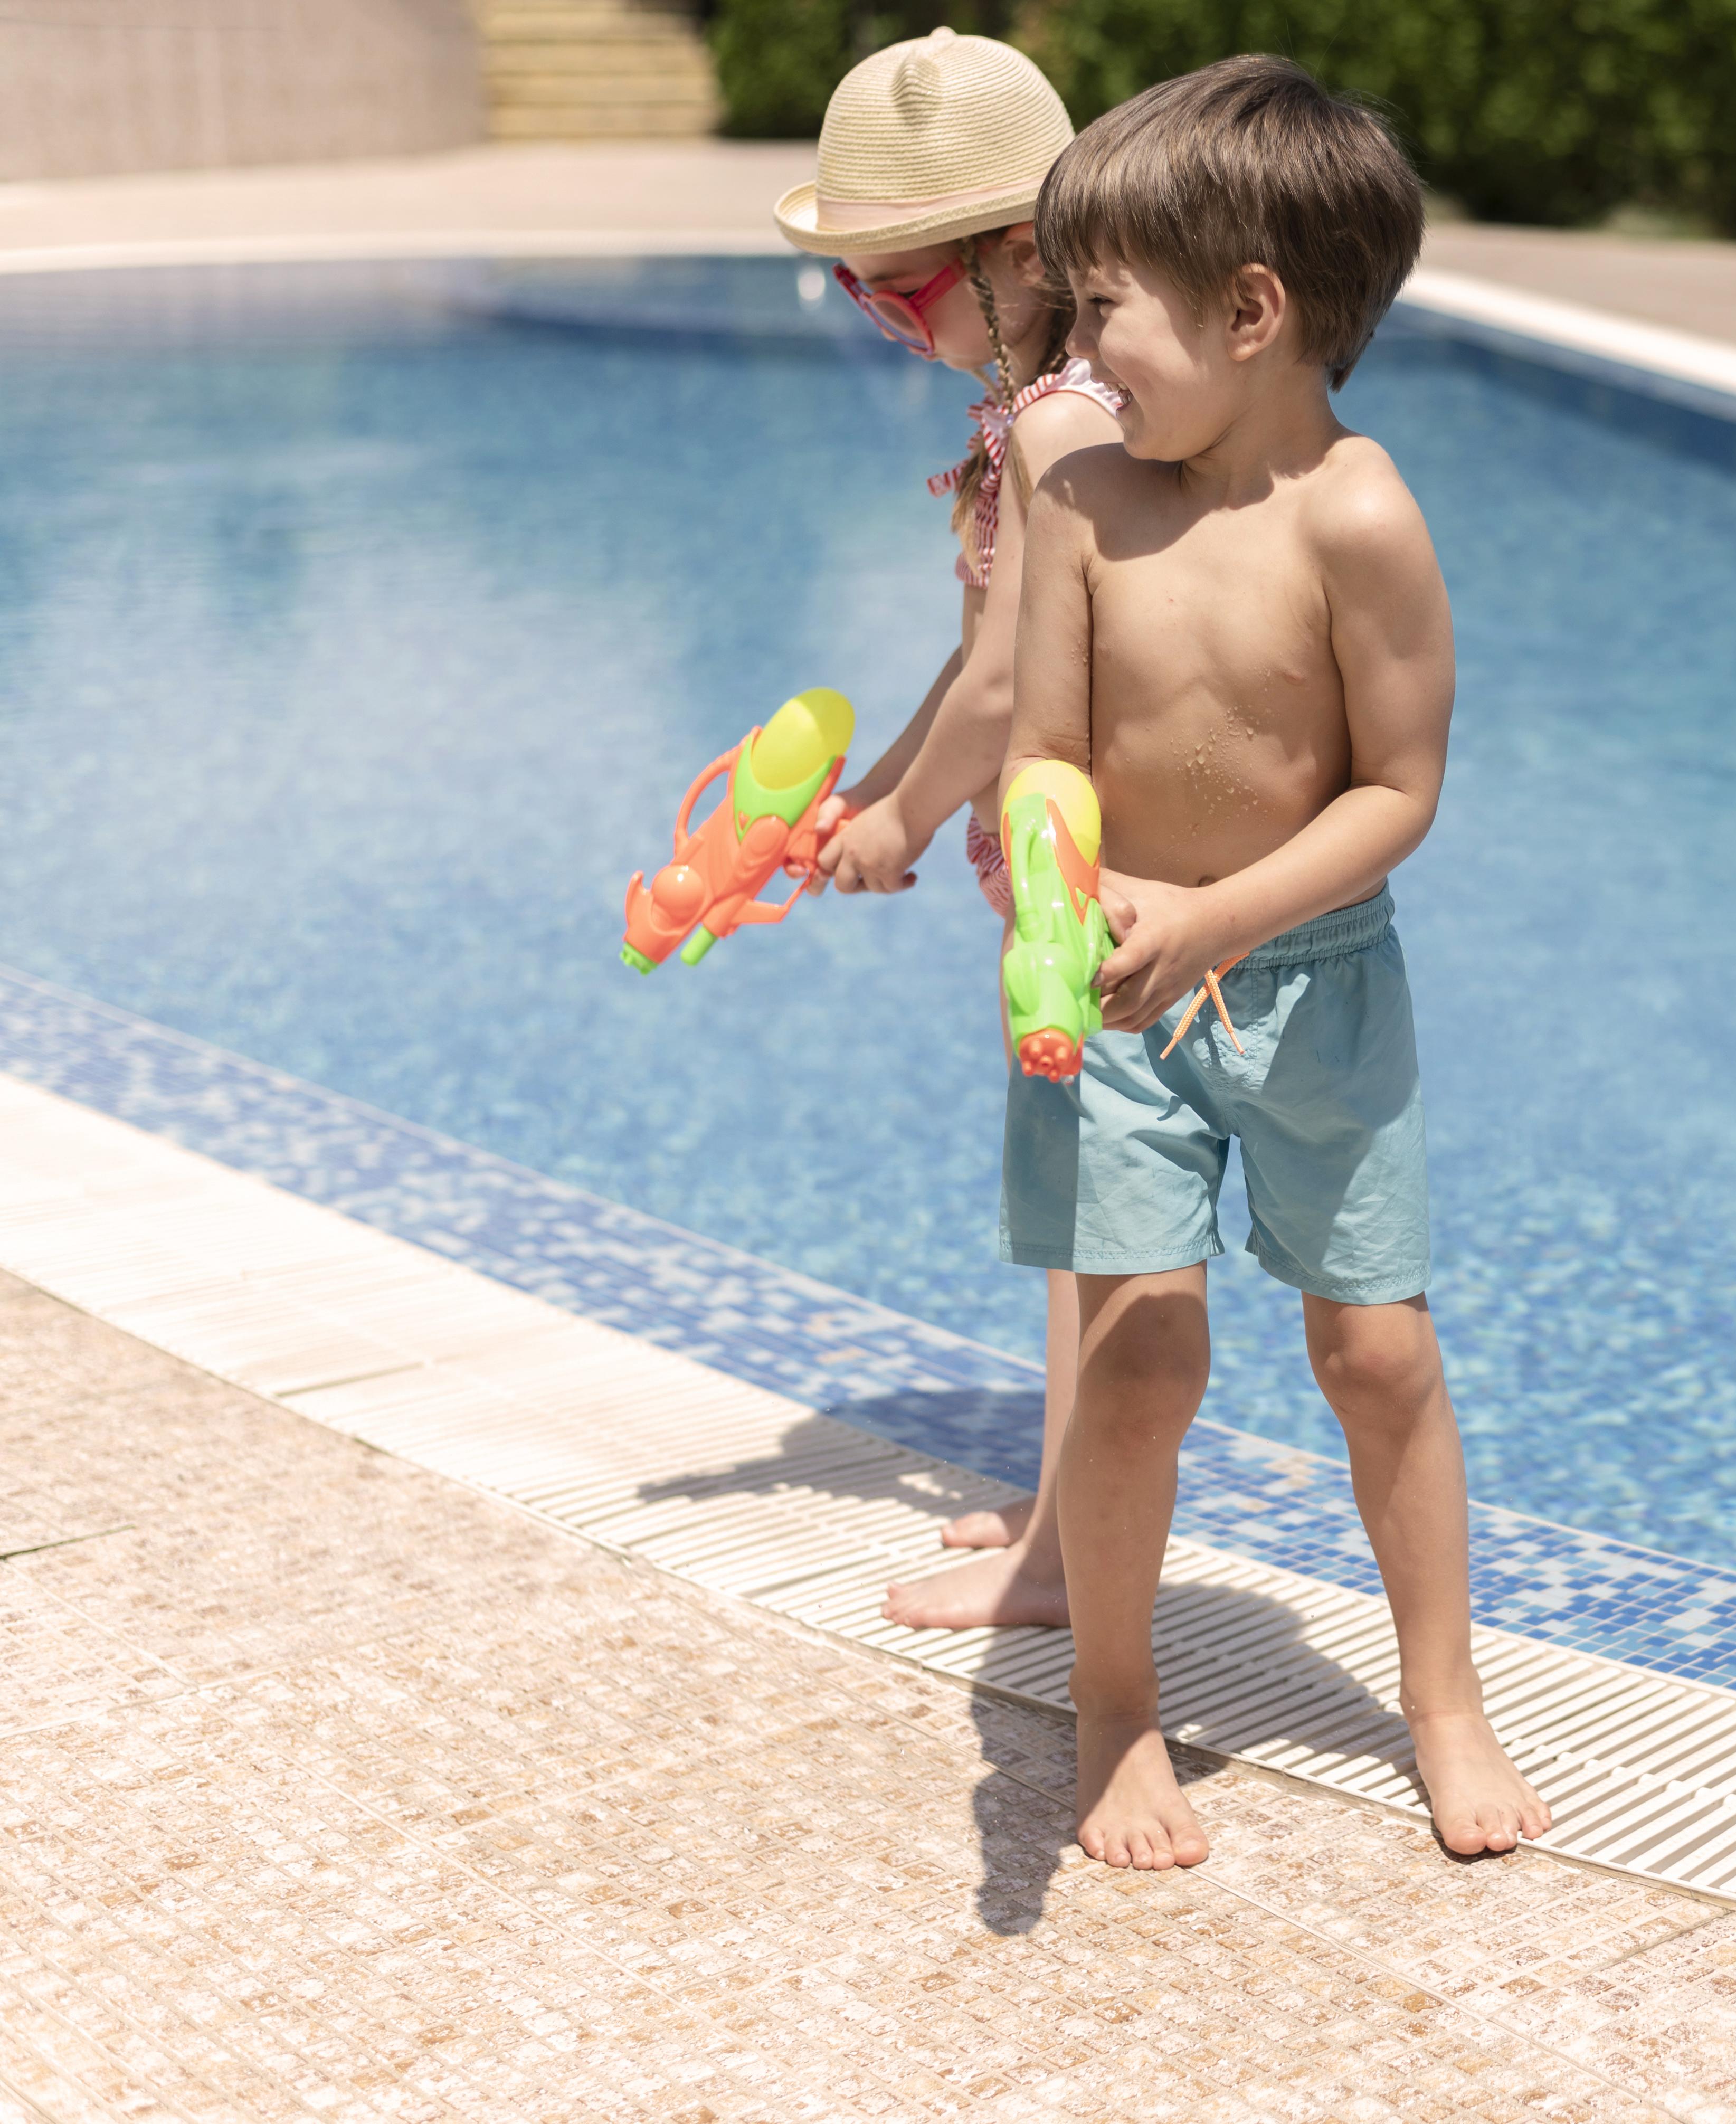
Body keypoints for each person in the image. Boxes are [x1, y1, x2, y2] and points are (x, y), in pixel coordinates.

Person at [903, 53, 1549, 1870]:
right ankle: (1117, 1712)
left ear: (1253, 311)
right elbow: (1044, 730)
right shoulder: (1088, 496)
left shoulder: (1354, 519)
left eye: (1108, 315)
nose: (1084, 359)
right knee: (1138, 1357)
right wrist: (1061, 873)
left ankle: (1443, 1700)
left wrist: (1222, 917)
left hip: (1310, 980)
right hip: (1109, 982)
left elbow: (1399, 792)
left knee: (1378, 1359)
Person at [769, 29, 1128, 1616]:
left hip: (1099, 889)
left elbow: (1008, 688)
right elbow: (966, 657)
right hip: (1052, 879)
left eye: (898, 290)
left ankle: (1071, 1553)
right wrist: (882, 792)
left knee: (1099, 1221)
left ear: (1025, 253)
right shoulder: (1026, 407)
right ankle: (1064, 1489)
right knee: (1073, 1207)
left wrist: (902, 817)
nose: (880, 320)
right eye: (855, 290)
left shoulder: (1068, 426)